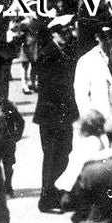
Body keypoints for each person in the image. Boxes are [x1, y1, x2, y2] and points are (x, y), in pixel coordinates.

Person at [34, 15, 80, 212]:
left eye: (67, 31)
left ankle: (55, 193)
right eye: (62, 32)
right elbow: (50, 87)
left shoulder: (64, 52)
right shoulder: (48, 54)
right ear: (53, 33)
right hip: (51, 114)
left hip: (62, 113)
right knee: (52, 155)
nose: (66, 35)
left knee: (63, 153)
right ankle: (46, 197)